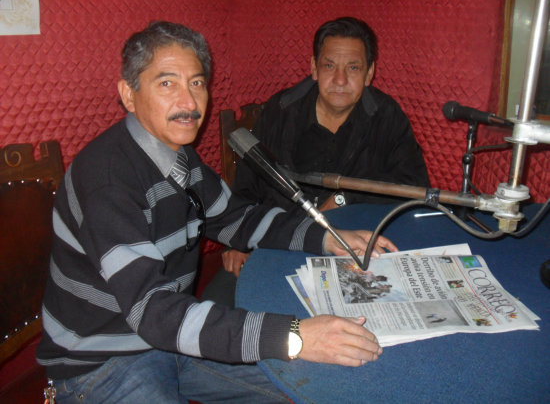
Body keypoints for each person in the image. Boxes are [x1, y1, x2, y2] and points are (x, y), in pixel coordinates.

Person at [36, 21, 398, 403]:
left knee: (302, 391)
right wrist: (295, 335)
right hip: (101, 362)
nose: (189, 103)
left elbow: (237, 219)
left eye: (196, 83)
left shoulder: (179, 159)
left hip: (169, 338)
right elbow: (153, 312)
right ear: (129, 94)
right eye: (167, 83)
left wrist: (325, 238)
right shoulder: (107, 179)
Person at [214, 16, 430, 289]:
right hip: (276, 244)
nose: (340, 79)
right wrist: (238, 240)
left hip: (351, 248)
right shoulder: (280, 111)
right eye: (329, 65)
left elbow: (415, 187)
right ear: (314, 68)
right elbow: (247, 184)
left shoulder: (387, 117)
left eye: (353, 67)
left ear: (369, 73)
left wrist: (343, 198)